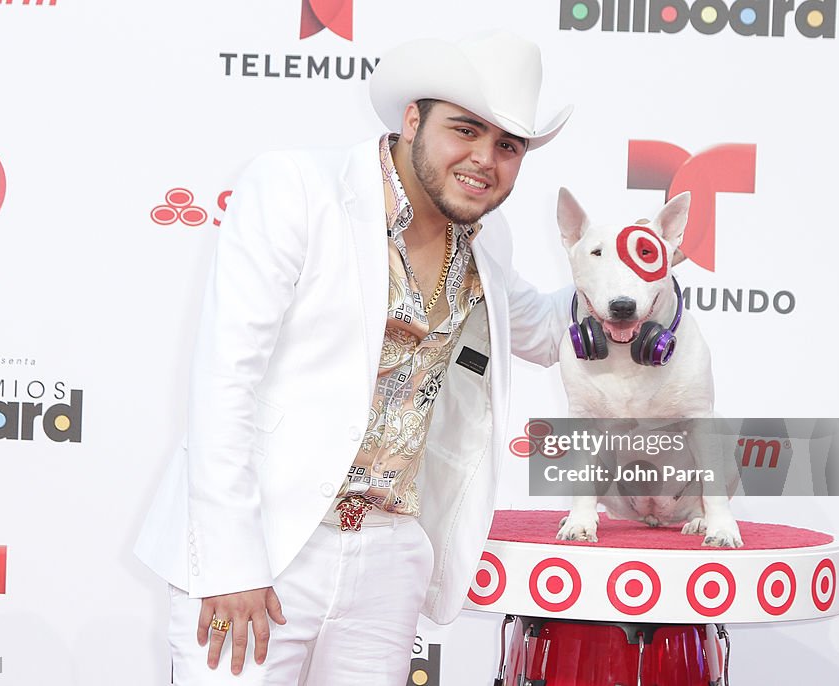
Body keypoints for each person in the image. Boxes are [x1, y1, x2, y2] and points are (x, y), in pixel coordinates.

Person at [134, 31, 573, 685]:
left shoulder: (488, 240)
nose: (484, 159)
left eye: (507, 146)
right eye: (466, 130)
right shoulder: (296, 188)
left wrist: (633, 280)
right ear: (412, 120)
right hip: (267, 545)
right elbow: (225, 381)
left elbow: (545, 329)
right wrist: (229, 566)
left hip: (390, 557)